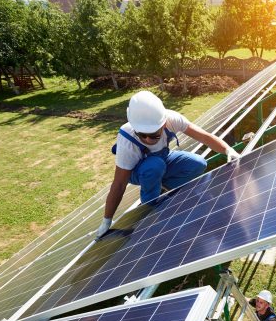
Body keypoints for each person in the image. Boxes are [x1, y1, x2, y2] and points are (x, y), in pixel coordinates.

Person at [96, 90, 240, 238]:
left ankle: (165, 186)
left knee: (198, 163)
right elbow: (119, 184)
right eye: (142, 135)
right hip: (136, 172)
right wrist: (107, 220)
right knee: (154, 166)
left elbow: (205, 137)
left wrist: (228, 150)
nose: (147, 139)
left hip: (161, 161)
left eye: (153, 135)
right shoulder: (127, 139)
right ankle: (151, 205)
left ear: (164, 124)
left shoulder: (172, 119)